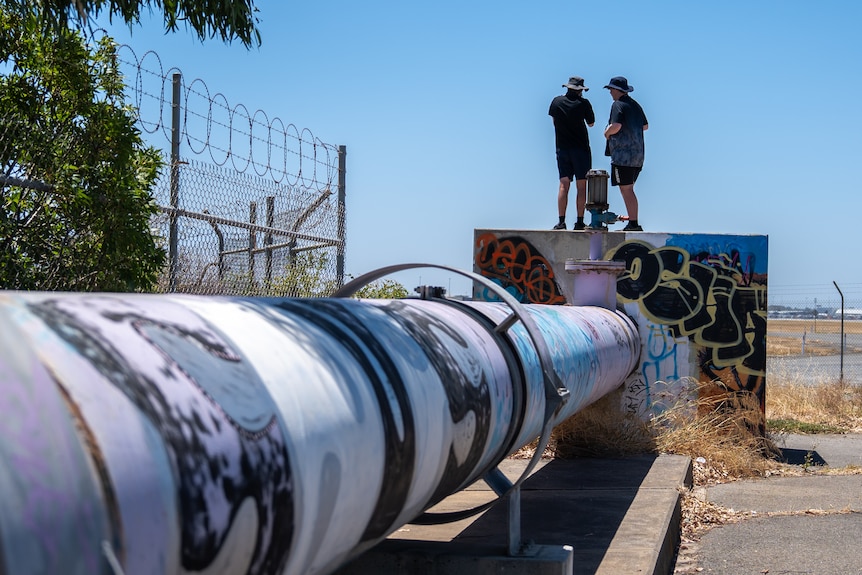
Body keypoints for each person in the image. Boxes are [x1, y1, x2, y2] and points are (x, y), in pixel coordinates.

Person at [549, 76, 595, 230]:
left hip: (562, 148)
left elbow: (554, 121)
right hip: (581, 149)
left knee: (563, 184)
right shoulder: (584, 104)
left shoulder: (556, 102)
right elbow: (591, 123)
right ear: (580, 90)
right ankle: (580, 221)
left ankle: (561, 221)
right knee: (582, 186)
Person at [603, 76, 648, 231]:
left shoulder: (618, 105)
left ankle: (634, 223)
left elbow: (616, 125)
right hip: (638, 155)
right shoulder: (635, 105)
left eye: (611, 89)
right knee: (629, 189)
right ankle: (633, 222)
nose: (610, 92)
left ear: (617, 90)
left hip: (623, 156)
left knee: (626, 190)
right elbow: (645, 126)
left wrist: (607, 133)